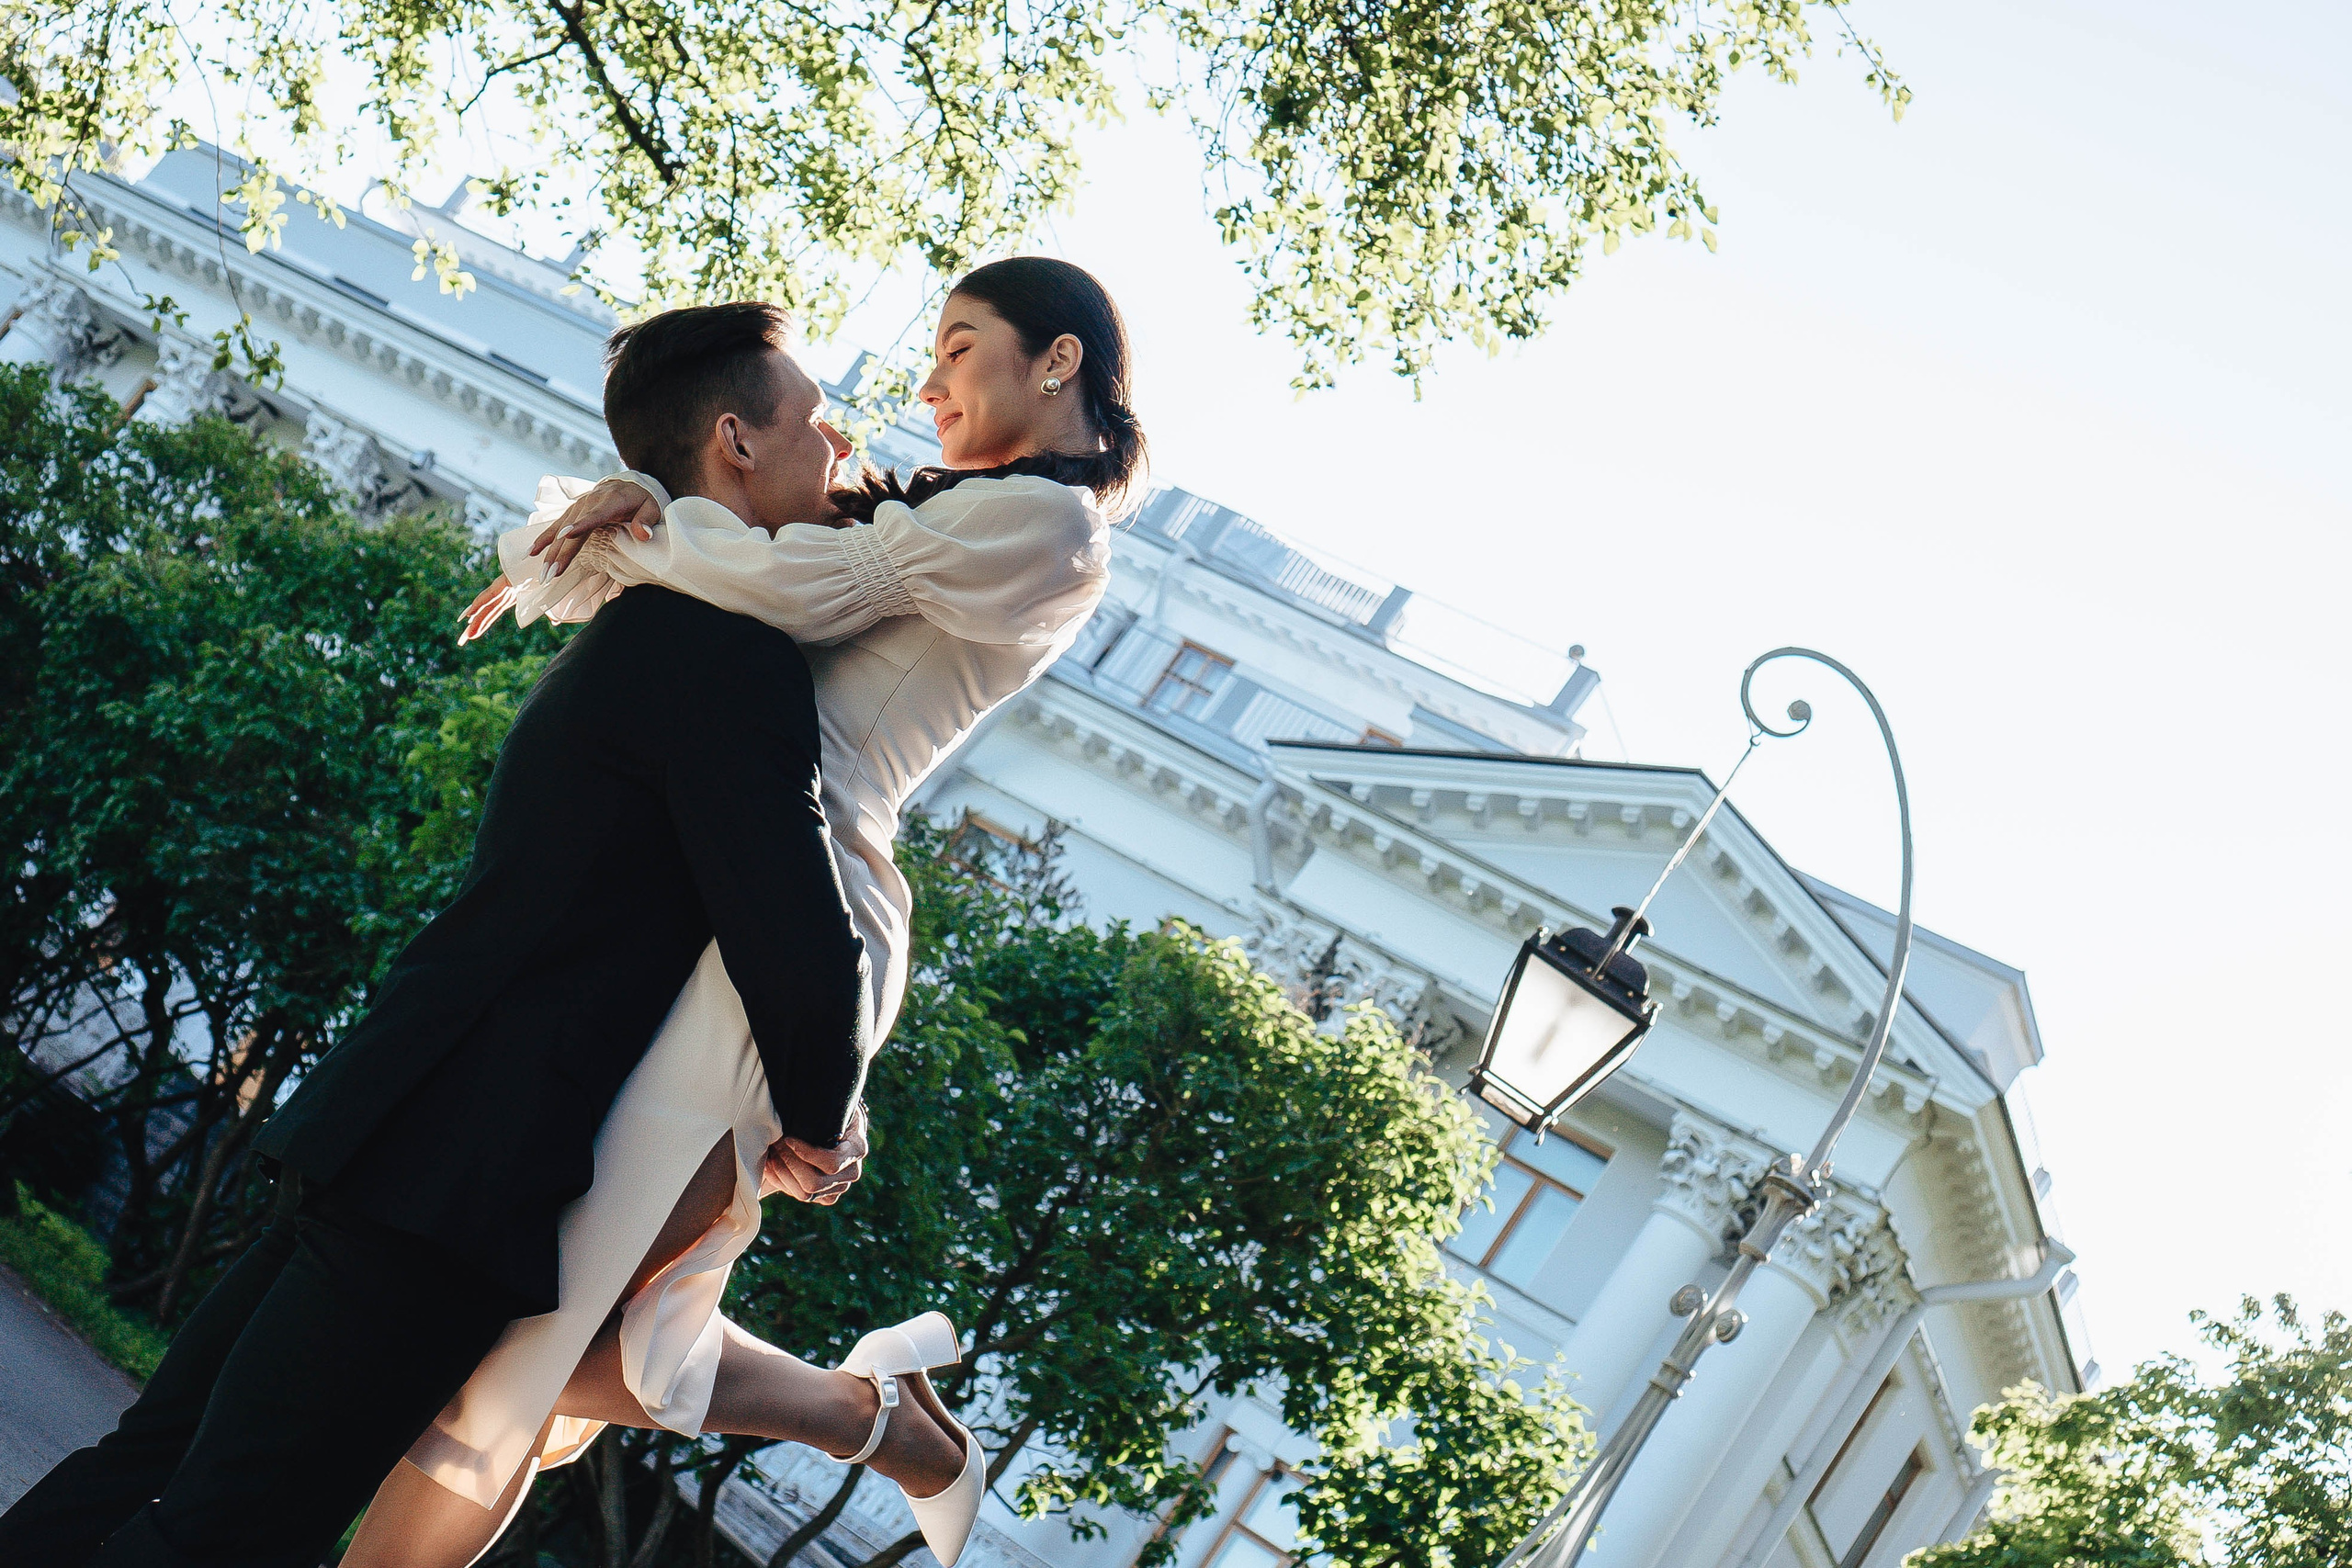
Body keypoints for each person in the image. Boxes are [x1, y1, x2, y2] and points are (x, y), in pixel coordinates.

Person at [0, 303, 876, 1568]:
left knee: (152, 1462)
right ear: (734, 443)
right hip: (459, 1178)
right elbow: (798, 929)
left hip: (384, 1115)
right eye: (811, 418)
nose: (838, 438)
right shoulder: (727, 656)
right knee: (234, 1527)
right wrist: (822, 1115)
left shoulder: (643, 614)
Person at [343, 256, 1143, 1568]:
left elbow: (789, 589)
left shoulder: (1050, 531)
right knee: (587, 1330)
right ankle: (874, 1418)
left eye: (959, 345)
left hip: (795, 916)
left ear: (1057, 362)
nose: (929, 380)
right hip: (728, 891)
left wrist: (645, 519)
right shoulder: (941, 514)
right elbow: (763, 547)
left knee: (528, 1351)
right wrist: (649, 502)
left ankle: (874, 1421)